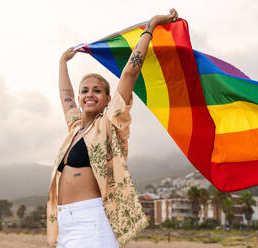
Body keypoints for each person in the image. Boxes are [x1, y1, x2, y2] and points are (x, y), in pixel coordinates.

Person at [47, 8, 179, 248]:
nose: (89, 94)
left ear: (108, 99)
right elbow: (64, 94)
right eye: (84, 91)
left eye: (97, 90)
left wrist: (150, 27)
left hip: (93, 222)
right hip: (65, 223)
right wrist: (62, 63)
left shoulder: (111, 124)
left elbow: (130, 73)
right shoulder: (75, 129)